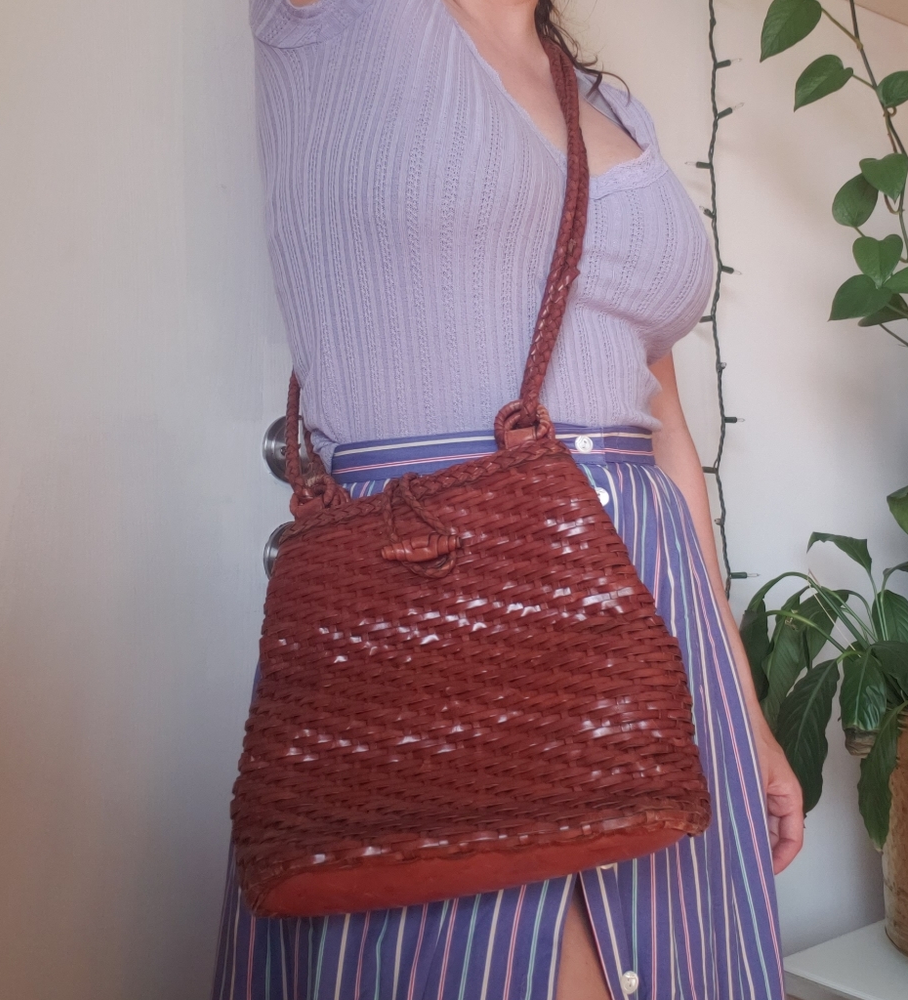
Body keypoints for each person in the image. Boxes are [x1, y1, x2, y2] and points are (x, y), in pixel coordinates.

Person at [212, 0, 804, 996]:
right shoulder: (344, 19)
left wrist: (740, 708)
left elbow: (660, 417)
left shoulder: (608, 105)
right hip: (437, 591)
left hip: (653, 611)